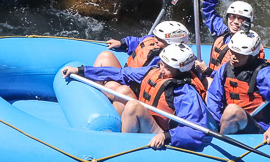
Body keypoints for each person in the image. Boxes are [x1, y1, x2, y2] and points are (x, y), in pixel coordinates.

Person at [61, 44, 209, 150]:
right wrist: (81, 71)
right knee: (124, 91)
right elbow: (121, 73)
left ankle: (121, 147)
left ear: (180, 70)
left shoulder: (186, 93)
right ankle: (114, 136)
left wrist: (166, 136)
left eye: (167, 68)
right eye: (162, 64)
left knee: (133, 105)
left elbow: (196, 130)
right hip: (147, 120)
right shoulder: (154, 71)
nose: (162, 70)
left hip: (160, 132)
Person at [205, 31, 270, 144]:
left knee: (232, 111)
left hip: (259, 125)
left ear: (251, 55)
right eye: (232, 51)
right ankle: (221, 132)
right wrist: (217, 123)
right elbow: (213, 98)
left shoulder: (266, 75)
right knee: (207, 97)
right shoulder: (225, 68)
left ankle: (223, 142)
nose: (233, 57)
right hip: (231, 122)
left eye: (240, 55)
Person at [91, 20, 191, 113]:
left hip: (138, 91)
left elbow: (137, 75)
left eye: (159, 39)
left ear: (171, 44)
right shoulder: (154, 41)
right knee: (105, 56)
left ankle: (108, 114)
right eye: (156, 36)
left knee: (111, 86)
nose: (155, 40)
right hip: (128, 77)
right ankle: (93, 98)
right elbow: (140, 41)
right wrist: (121, 43)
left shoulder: (170, 64)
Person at [200, 0, 262, 77]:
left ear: (248, 22)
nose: (235, 22)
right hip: (213, 79)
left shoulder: (250, 45)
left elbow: (236, 77)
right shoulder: (223, 32)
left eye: (241, 18)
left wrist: (207, 71)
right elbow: (208, 13)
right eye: (232, 17)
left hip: (228, 87)